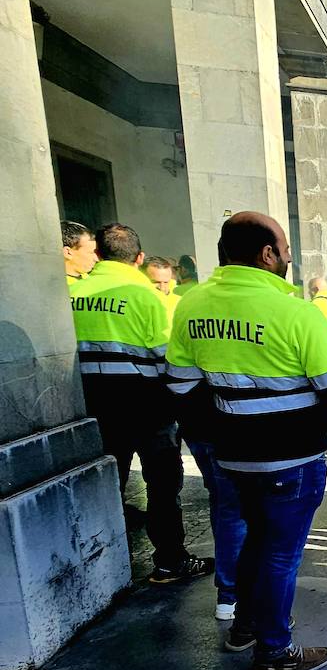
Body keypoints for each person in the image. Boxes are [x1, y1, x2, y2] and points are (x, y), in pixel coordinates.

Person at [165, 212, 327, 670]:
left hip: (231, 454)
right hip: (292, 457)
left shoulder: (192, 306)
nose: (289, 257)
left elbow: (180, 384)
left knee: (252, 541)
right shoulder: (296, 313)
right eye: (286, 248)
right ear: (268, 254)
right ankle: (274, 650)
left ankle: (245, 625)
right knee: (280, 555)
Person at [70, 223, 211, 583]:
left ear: (98, 254)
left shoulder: (72, 293)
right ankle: (169, 562)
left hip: (93, 408)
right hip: (149, 408)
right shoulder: (146, 297)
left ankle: (102, 570)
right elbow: (170, 361)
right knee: (162, 486)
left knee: (106, 486)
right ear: (140, 258)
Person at [61, 220, 98, 286]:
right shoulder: (59, 288)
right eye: (91, 253)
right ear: (67, 252)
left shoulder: (92, 280)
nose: (96, 259)